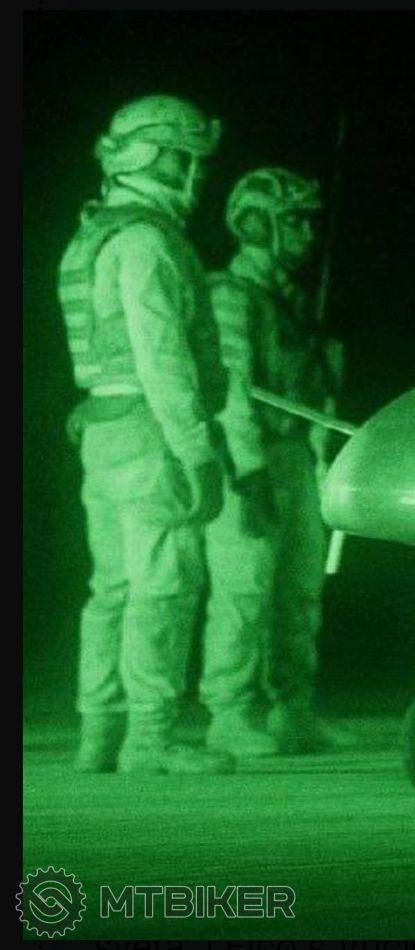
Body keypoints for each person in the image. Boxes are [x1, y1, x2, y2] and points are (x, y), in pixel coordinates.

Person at [59, 94, 235, 774]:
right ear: (157, 157)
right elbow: (162, 359)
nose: (197, 175)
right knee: (164, 583)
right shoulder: (148, 242)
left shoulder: (91, 235)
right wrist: (198, 449)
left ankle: (99, 732)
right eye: (188, 159)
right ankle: (150, 739)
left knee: (111, 588)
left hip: (103, 429)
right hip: (149, 431)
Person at [201, 166, 351, 755]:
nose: (306, 234)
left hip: (294, 456)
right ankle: (229, 713)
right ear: (255, 223)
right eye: (294, 221)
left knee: (299, 591)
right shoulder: (229, 295)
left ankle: (293, 709)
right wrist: (248, 470)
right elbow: (232, 391)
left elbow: (313, 393)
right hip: (250, 458)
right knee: (243, 591)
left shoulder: (292, 303)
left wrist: (320, 461)